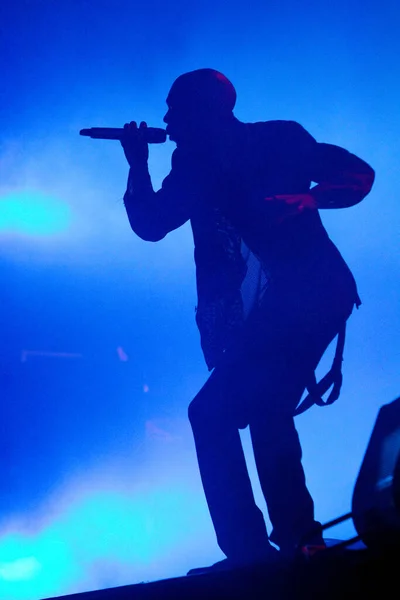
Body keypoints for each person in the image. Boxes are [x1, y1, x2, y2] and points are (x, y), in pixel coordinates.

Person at [121, 68, 375, 572]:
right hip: (299, 302)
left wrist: (312, 197)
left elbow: (357, 174)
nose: (167, 117)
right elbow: (153, 224)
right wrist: (141, 161)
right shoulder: (218, 155)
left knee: (212, 414)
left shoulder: (264, 142)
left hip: (304, 298)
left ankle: (251, 553)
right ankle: (300, 541)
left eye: (175, 107)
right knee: (266, 408)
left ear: (204, 109)